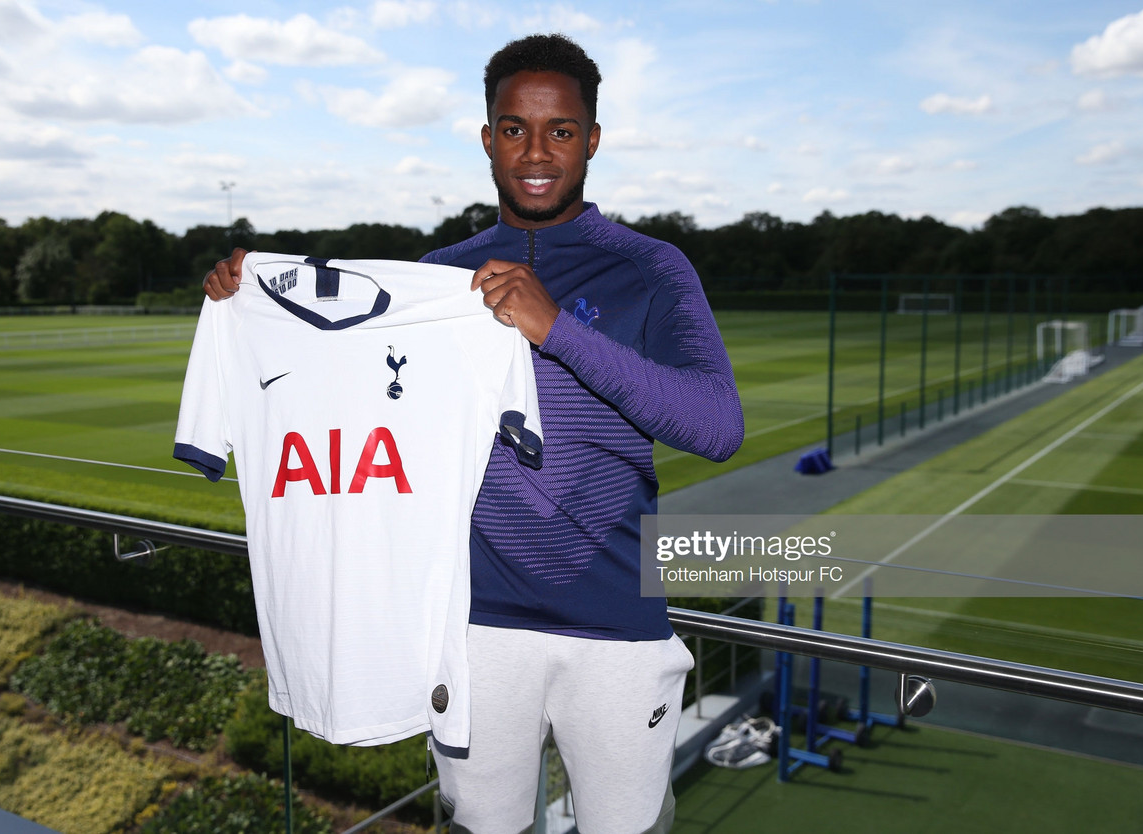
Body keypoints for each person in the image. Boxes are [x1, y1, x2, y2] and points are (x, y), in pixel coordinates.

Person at [203, 33, 743, 834]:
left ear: (591, 140)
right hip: (469, 628)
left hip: (619, 632)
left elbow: (717, 425)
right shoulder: (438, 276)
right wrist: (252, 301)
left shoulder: (652, 268)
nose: (536, 151)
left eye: (560, 130)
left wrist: (555, 327)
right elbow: (352, 385)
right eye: (514, 128)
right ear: (487, 137)